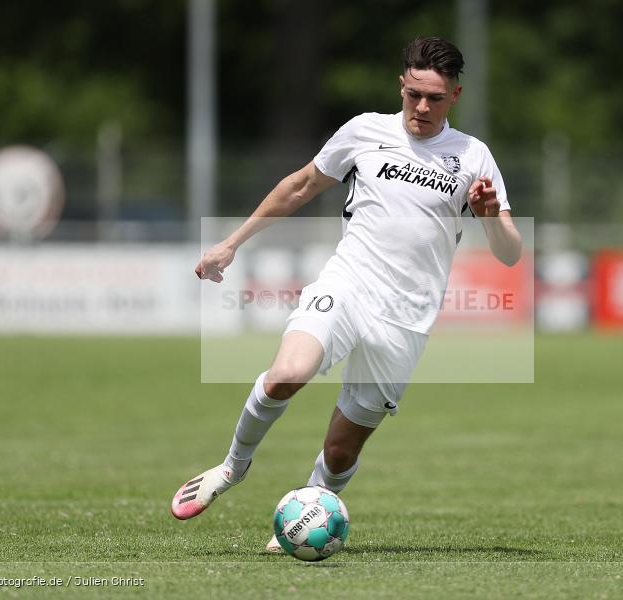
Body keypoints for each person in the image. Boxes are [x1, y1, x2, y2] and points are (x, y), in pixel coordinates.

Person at [171, 36, 522, 551]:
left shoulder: (473, 156)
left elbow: (510, 253)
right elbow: (299, 186)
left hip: (405, 321)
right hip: (347, 284)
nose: (422, 108)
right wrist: (230, 244)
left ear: (456, 96)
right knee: (287, 374)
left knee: (339, 453)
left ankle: (308, 509)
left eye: (436, 99)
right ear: (401, 84)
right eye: (414, 95)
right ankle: (230, 468)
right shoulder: (364, 131)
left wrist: (491, 214)